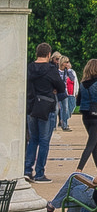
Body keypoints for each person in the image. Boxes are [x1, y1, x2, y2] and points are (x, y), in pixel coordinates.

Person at [25, 42, 63, 181]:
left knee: (33, 140)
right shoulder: (50, 69)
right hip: (46, 106)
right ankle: (39, 173)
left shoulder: (29, 67)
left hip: (31, 106)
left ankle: (27, 169)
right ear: (48, 54)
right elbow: (61, 86)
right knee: (44, 140)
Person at [74, 59, 97, 172]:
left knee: (95, 142)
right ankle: (79, 168)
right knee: (91, 143)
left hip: (85, 114)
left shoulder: (82, 84)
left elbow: (78, 102)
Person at [57, 55, 77, 131]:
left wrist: (69, 70)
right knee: (57, 109)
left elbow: (72, 79)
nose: (68, 64)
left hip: (64, 92)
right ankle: (55, 124)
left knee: (65, 108)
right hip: (57, 91)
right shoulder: (57, 71)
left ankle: (64, 124)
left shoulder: (67, 71)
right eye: (66, 62)